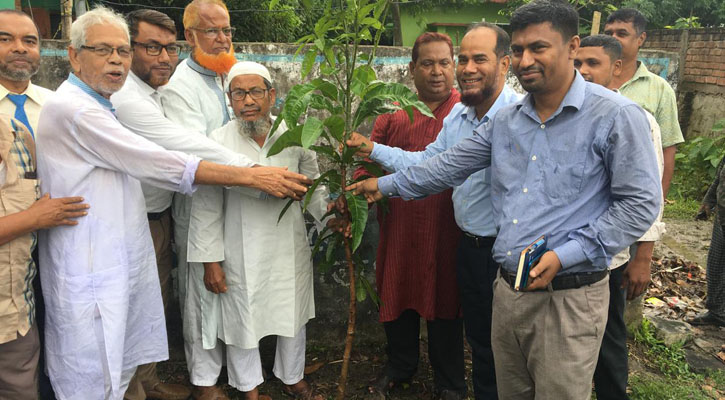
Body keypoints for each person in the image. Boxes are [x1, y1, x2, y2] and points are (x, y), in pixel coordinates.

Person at [348, 1, 661, 398]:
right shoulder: (506, 120)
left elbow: (639, 205)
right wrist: (381, 186)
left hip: (568, 295)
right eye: (518, 50)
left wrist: (566, 254)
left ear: (571, 46)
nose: (525, 60)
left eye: (538, 48)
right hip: (508, 289)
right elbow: (444, 166)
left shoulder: (615, 116)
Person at [35, 7, 308, 399]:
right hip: (91, 258)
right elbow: (163, 156)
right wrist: (252, 173)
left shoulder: (103, 101)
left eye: (123, 51)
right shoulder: (80, 110)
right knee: (91, 360)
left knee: (121, 345)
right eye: (104, 50)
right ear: (74, 55)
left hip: (120, 244)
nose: (116, 60)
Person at [111, 10, 302, 400]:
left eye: (226, 30)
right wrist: (257, 173)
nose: (222, 38)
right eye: (211, 31)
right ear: (192, 34)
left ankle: (154, 380)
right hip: (196, 202)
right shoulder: (177, 86)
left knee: (158, 302)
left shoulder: (222, 73)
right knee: (204, 298)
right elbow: (194, 151)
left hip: (179, 207)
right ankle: (205, 382)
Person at [347, 23, 520, 400]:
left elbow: (442, 171)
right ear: (412, 68)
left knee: (498, 343)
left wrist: (383, 185)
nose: (465, 68)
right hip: (468, 243)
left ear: (505, 64)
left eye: (480, 59)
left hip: (503, 248)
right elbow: (429, 160)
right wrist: (372, 151)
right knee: (481, 338)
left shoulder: (517, 117)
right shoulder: (460, 116)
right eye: (464, 59)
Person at [186, 61, 327, 400]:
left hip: (287, 245)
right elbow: (205, 207)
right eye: (238, 93)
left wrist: (329, 218)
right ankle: (249, 388)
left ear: (272, 95)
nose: (247, 101)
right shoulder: (217, 142)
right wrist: (210, 262)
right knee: (241, 318)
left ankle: (292, 376)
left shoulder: (295, 135)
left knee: (292, 312)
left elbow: (315, 186)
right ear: (230, 100)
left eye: (255, 92)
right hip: (238, 249)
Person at [348, 32, 466, 400]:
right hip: (399, 225)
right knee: (396, 292)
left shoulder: (465, 113)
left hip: (448, 226)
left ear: (454, 67)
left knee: (447, 300)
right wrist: (350, 202)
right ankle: (400, 366)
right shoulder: (392, 115)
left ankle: (449, 380)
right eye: (427, 64)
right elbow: (367, 167)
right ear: (412, 69)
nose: (436, 72)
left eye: (444, 63)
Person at [574, 34, 665, 400]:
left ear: (616, 68)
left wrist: (643, 257)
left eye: (592, 64)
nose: (583, 71)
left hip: (608, 258)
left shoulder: (635, 120)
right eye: (578, 63)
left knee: (608, 343)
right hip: (565, 258)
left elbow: (648, 198)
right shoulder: (565, 116)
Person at [0, 113, 88, 400]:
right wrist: (32, 218)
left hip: (16, 314)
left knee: (21, 390)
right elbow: (34, 215)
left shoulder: (17, 134)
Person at [0, 10, 59, 399]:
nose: (19, 48)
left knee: (39, 342)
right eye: (5, 39)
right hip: (10, 248)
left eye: (30, 40)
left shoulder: (57, 106)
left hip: (52, 247)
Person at [604, 8, 685, 199]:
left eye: (622, 33)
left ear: (640, 39)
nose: (613, 38)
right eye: (608, 33)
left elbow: (667, 148)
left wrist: (658, 204)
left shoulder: (659, 89)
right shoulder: (588, 81)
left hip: (633, 193)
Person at [689, 157, 725, 327]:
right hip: (722, 214)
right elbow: (720, 175)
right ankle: (717, 312)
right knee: (715, 264)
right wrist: (708, 201)